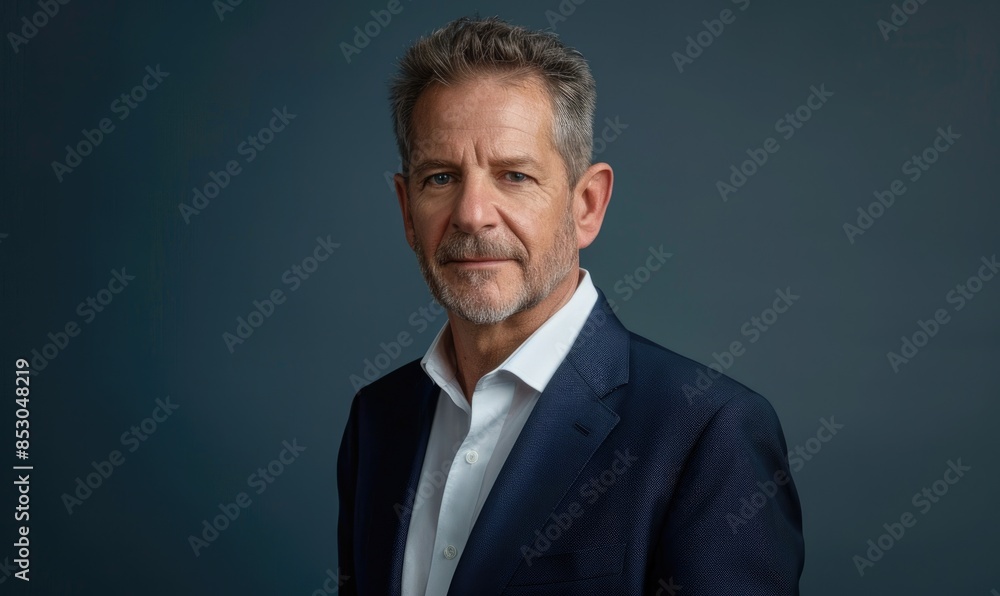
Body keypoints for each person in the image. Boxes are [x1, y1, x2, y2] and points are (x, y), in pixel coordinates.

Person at [337, 15, 804, 595]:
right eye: (440, 177)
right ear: (407, 211)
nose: (472, 213)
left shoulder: (708, 434)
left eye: (513, 175)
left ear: (586, 204)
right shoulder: (379, 420)